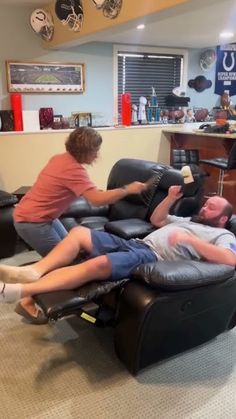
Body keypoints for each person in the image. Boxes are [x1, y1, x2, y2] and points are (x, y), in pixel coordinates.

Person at [1, 186, 236, 321]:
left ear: (223, 218)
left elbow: (231, 259)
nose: (204, 207)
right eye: (206, 204)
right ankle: (34, 271)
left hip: (150, 256)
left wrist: (188, 240)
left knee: (97, 264)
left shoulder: (222, 236)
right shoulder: (187, 220)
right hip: (134, 242)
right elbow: (157, 219)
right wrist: (170, 198)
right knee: (80, 233)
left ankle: (22, 290)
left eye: (211, 207)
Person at [13, 126, 147, 257]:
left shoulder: (60, 158)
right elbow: (97, 200)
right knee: (62, 262)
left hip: (40, 216)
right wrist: (127, 189)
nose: (97, 155)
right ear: (85, 151)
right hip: (32, 221)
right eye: (95, 150)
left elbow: (78, 189)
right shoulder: (74, 170)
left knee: (72, 250)